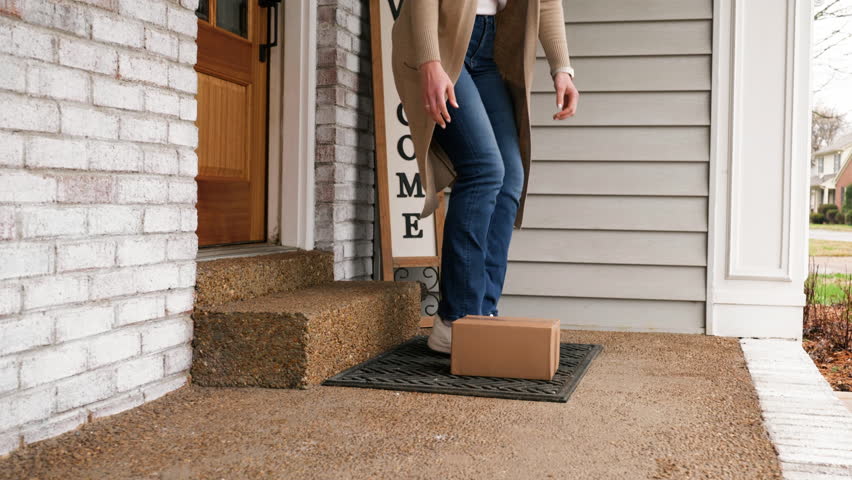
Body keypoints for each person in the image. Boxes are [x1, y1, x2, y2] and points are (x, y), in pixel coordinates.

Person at [390, 0, 579, 353]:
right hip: (439, 44)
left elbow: (547, 4)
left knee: (510, 178)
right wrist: (430, 61)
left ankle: (483, 314)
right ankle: (456, 319)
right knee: (484, 170)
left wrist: (562, 68)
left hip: (489, 49)